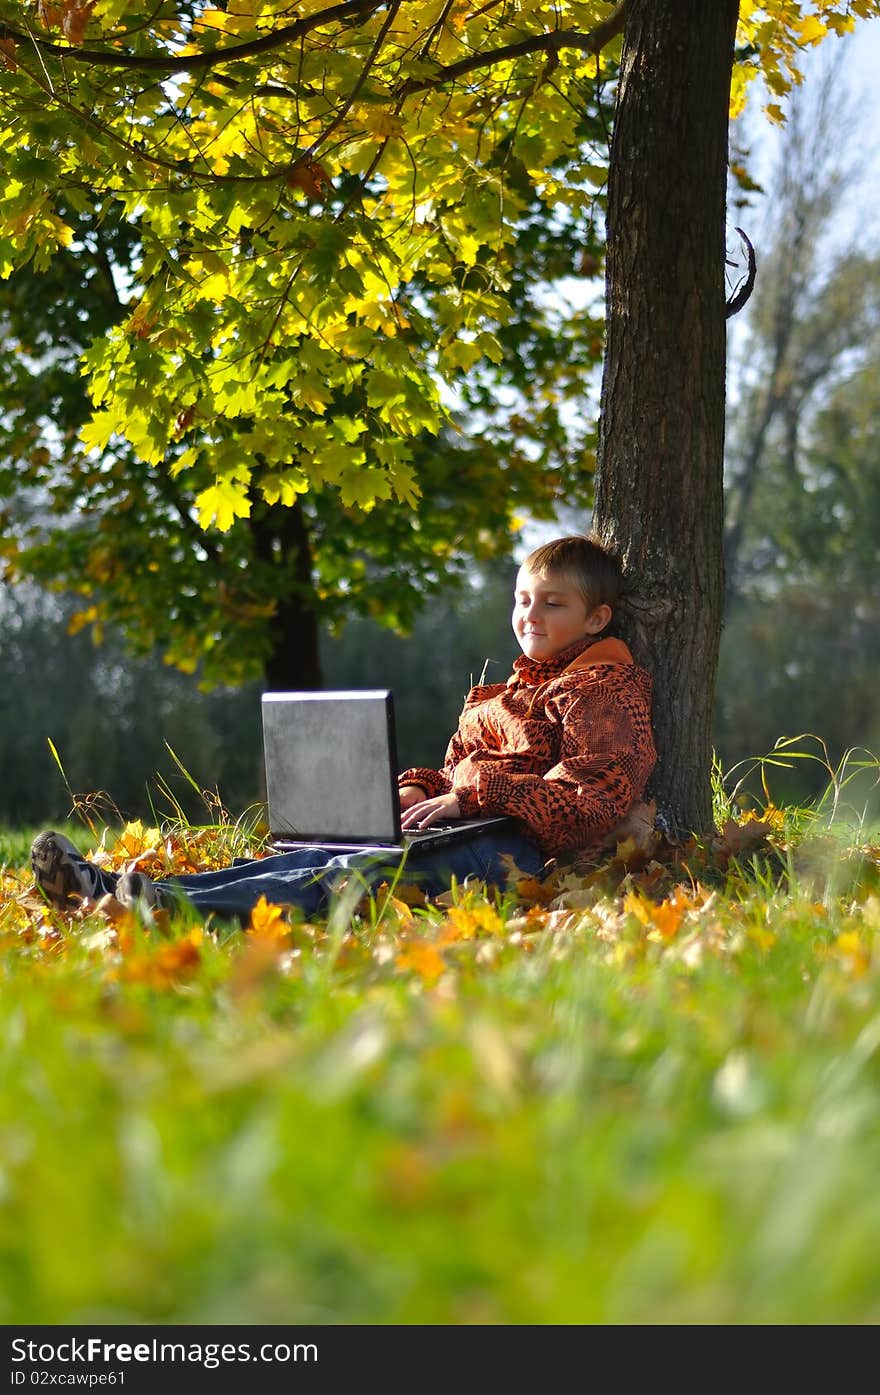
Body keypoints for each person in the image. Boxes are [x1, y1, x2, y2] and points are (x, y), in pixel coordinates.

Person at [31, 535, 657, 924]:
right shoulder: (505, 690)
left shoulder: (601, 690)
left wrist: (473, 795)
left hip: (519, 853)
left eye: (553, 603)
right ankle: (112, 891)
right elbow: (453, 771)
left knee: (348, 880)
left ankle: (164, 908)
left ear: (596, 618)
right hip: (466, 824)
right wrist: (418, 790)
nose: (531, 615)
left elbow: (591, 805)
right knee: (315, 853)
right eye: (523, 599)